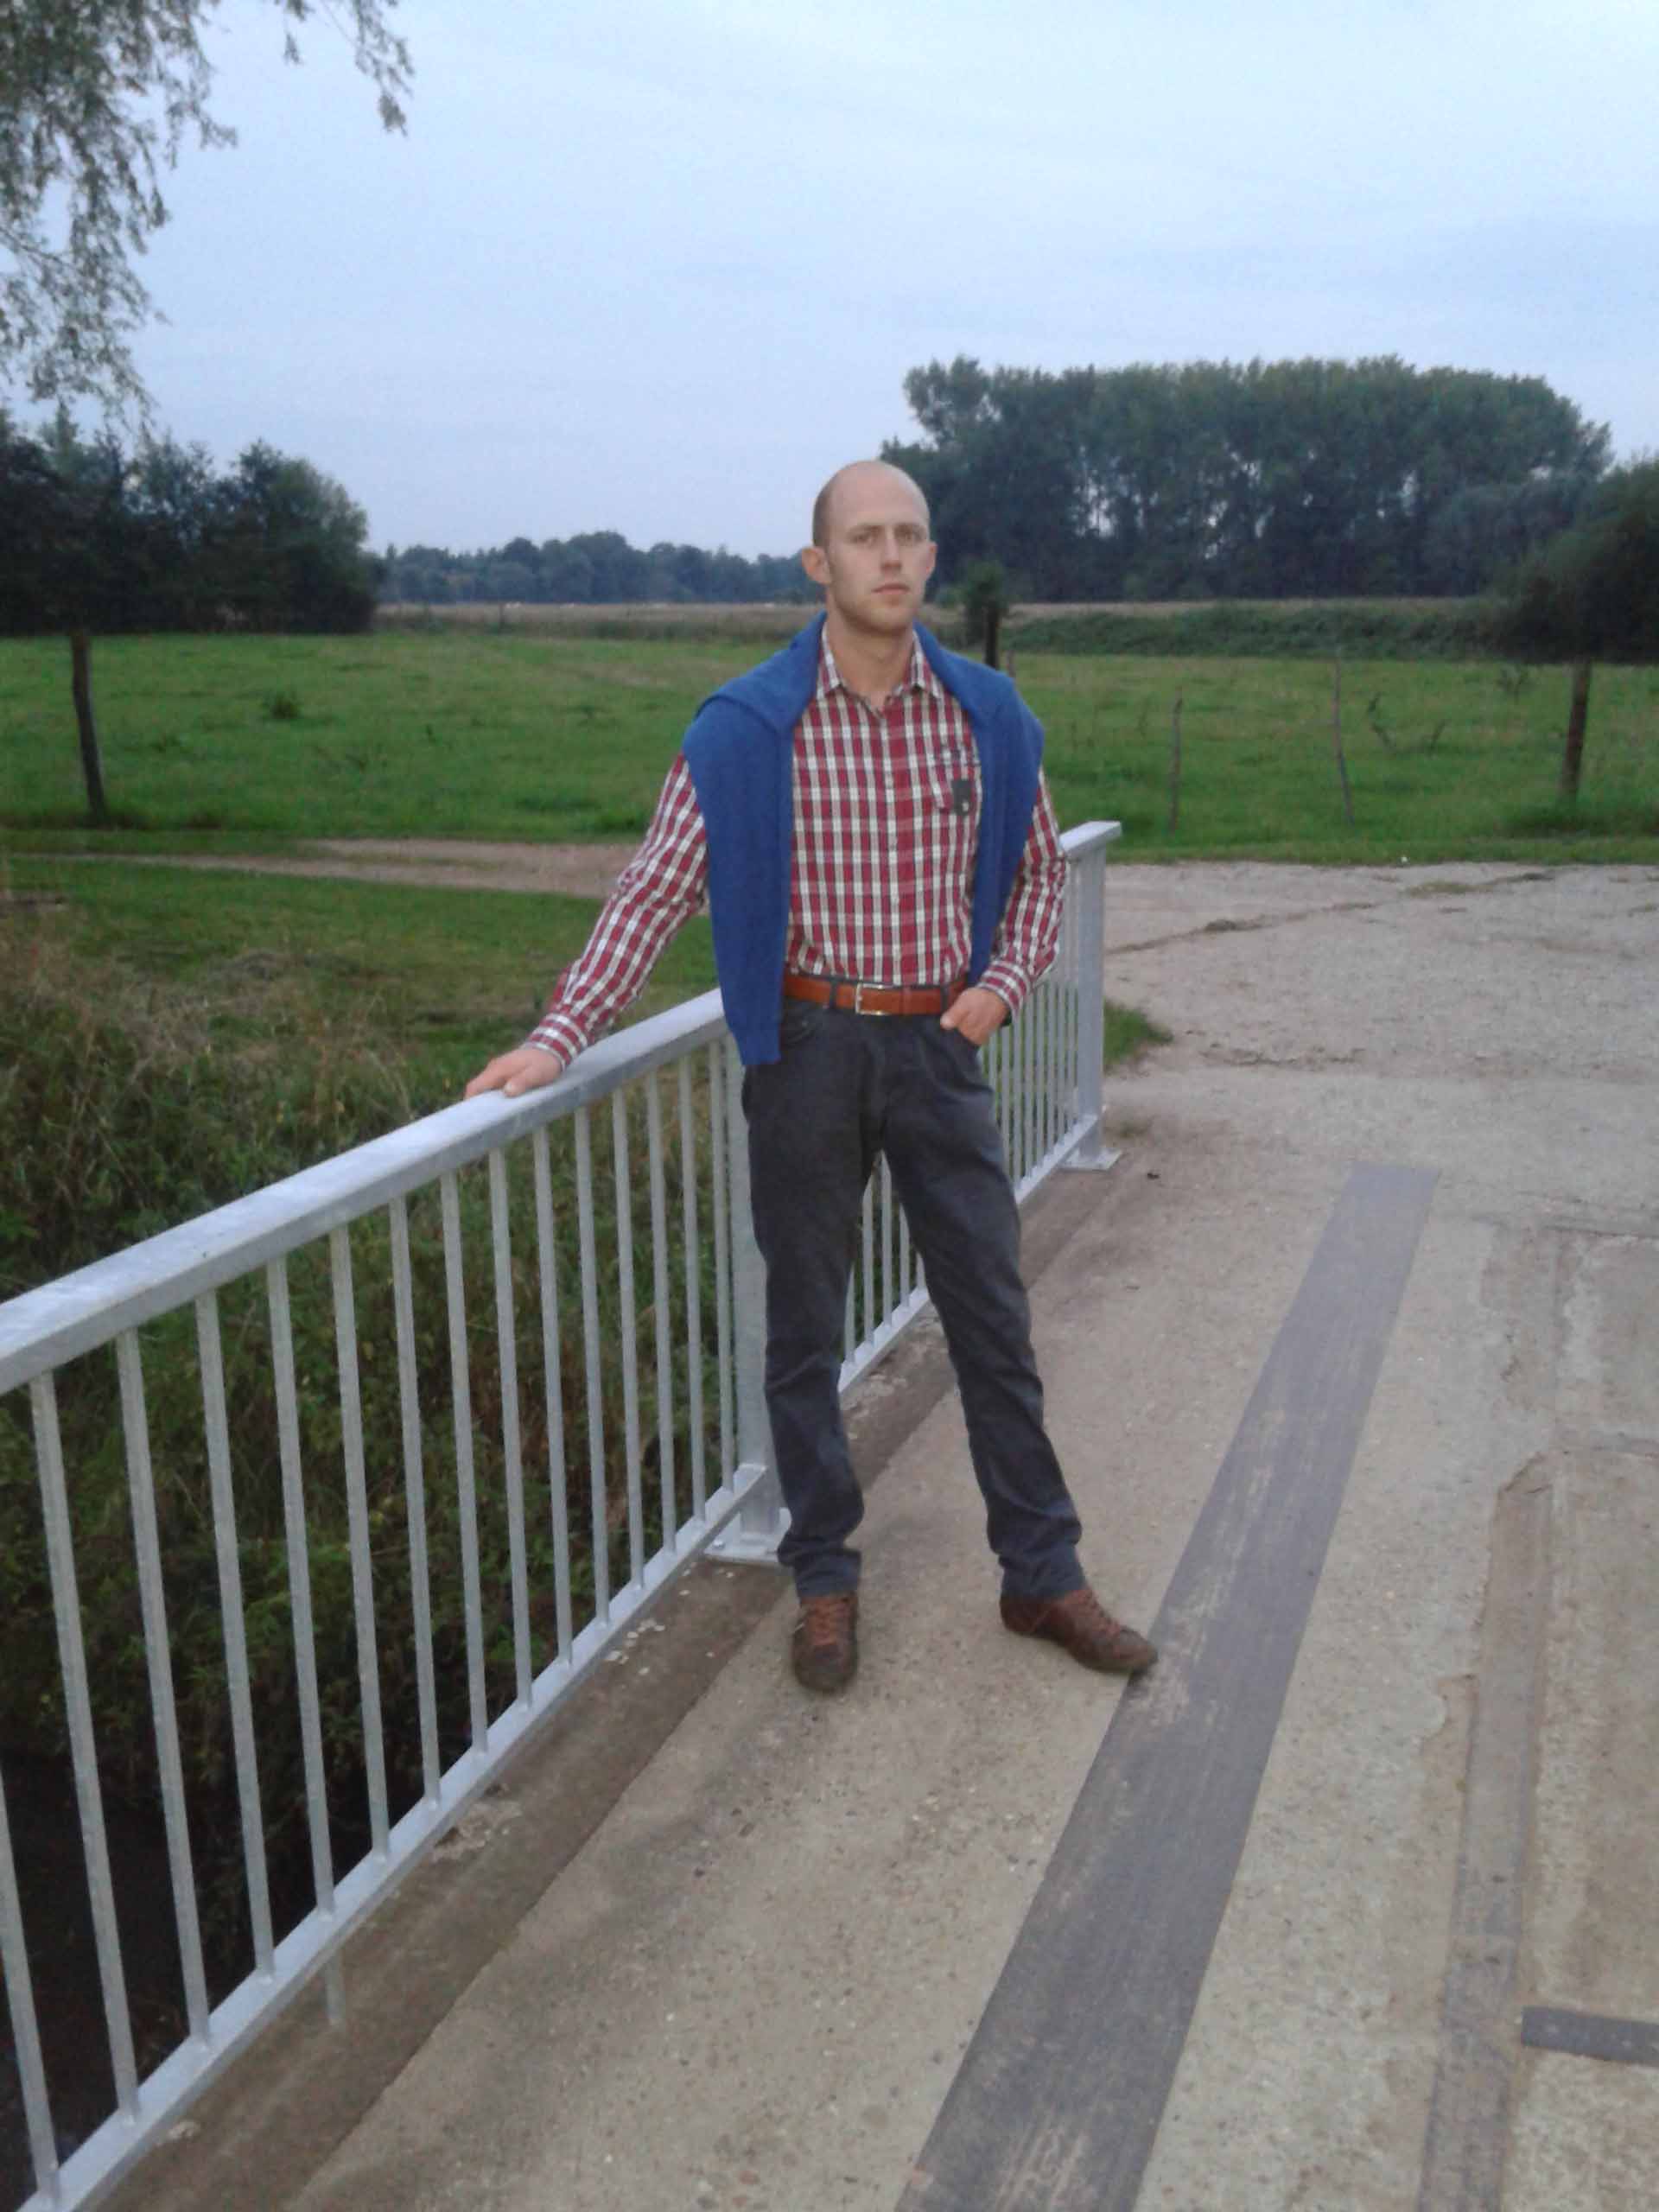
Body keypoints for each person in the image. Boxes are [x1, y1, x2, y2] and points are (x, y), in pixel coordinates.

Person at [467, 461, 1155, 1694]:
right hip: (806, 1049)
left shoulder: (990, 716)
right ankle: (824, 1577)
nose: (890, 557)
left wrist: (999, 989)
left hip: (939, 1047)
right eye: (864, 537)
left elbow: (1041, 873)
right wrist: (560, 1035)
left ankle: (1042, 1575)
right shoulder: (746, 728)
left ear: (930, 557)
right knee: (804, 1332)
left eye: (909, 536)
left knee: (993, 1320)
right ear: (819, 564)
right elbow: (654, 889)